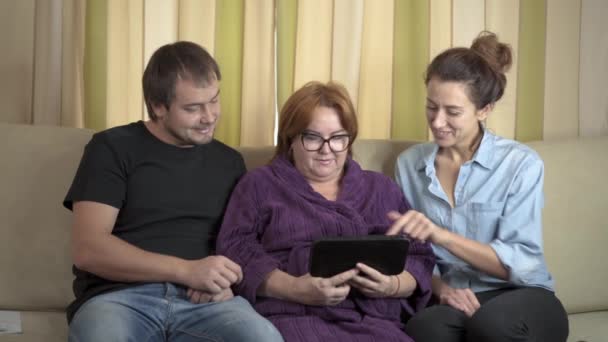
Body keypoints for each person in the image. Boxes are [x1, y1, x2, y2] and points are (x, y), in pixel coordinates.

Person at [63, 41, 283, 341]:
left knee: (263, 337)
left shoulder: (230, 162)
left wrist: (228, 282)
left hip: (204, 304)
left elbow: (242, 244)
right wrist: (186, 271)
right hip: (119, 300)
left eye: (214, 100)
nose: (209, 116)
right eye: (193, 108)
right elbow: (88, 249)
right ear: (158, 106)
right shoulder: (112, 147)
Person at [215, 81, 435, 341]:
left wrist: (391, 286)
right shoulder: (259, 184)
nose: (326, 149)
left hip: (371, 320)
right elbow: (235, 248)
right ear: (290, 139)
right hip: (291, 315)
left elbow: (419, 256)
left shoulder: (380, 188)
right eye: (313, 137)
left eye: (338, 138)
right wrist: (295, 288)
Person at [388, 31, 569, 341]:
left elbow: (521, 263)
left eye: (453, 112)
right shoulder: (409, 165)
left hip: (522, 293)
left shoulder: (520, 165)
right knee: (423, 329)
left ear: (484, 109)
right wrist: (443, 289)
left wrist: (440, 235)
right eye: (431, 107)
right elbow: (410, 255)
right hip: (456, 298)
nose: (437, 121)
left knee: (491, 326)